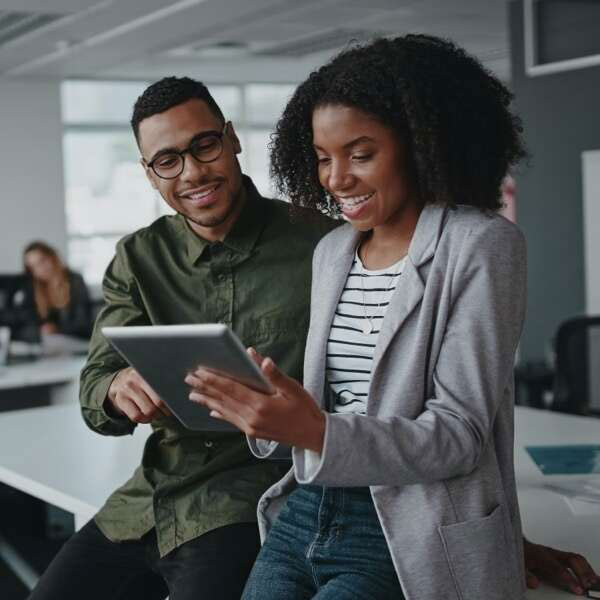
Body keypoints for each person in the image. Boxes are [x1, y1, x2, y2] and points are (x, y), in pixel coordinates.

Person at [185, 35, 597, 600]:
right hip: (308, 506)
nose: (335, 179)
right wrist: (269, 411)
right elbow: (332, 413)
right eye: (324, 158)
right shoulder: (332, 251)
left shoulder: (481, 246)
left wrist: (314, 428)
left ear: (422, 145)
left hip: (405, 524)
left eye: (360, 154)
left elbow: (459, 436)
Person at [28, 77, 332, 600]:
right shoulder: (138, 258)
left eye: (204, 146)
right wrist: (117, 387)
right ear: (149, 174)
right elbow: (94, 387)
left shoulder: (321, 244)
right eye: (167, 161)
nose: (192, 172)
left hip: (255, 498)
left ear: (231, 139)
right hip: (149, 497)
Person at [23, 241, 92, 338]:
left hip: (77, 341)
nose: (40, 269)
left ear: (52, 257)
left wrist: (57, 329)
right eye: (33, 267)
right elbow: (28, 322)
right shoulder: (36, 289)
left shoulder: (75, 281)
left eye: (42, 261)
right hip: (51, 344)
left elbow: (83, 324)